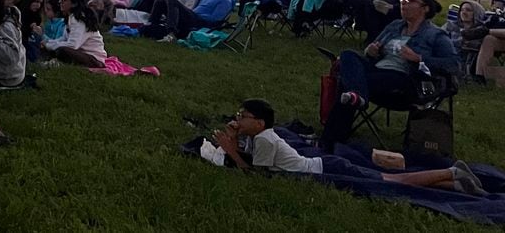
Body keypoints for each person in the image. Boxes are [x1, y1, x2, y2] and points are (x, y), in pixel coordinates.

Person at [209, 99, 487, 194]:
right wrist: (233, 139)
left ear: (259, 123)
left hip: (328, 169)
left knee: (393, 181)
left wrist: (231, 150)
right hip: (325, 165)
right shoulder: (260, 136)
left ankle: (451, 172)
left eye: (242, 116)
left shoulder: (265, 139)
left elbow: (256, 175)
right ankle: (457, 184)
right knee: (394, 179)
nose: (237, 119)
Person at [320, 0, 457, 151]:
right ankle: (357, 98)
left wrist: (418, 58)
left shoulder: (436, 35)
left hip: (405, 80)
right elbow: (373, 51)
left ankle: (329, 141)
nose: (403, 4)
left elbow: (453, 64)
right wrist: (370, 52)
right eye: (402, 0)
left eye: (409, 1)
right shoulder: (394, 26)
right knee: (348, 55)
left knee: (347, 83)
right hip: (377, 71)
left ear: (425, 8)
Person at [42, 0, 108, 67]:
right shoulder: (71, 17)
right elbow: (64, 38)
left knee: (61, 50)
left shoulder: (80, 20)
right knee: (49, 48)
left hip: (94, 59)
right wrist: (47, 43)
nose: (60, 2)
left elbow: (73, 45)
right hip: (80, 53)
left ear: (74, 4)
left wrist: (50, 45)